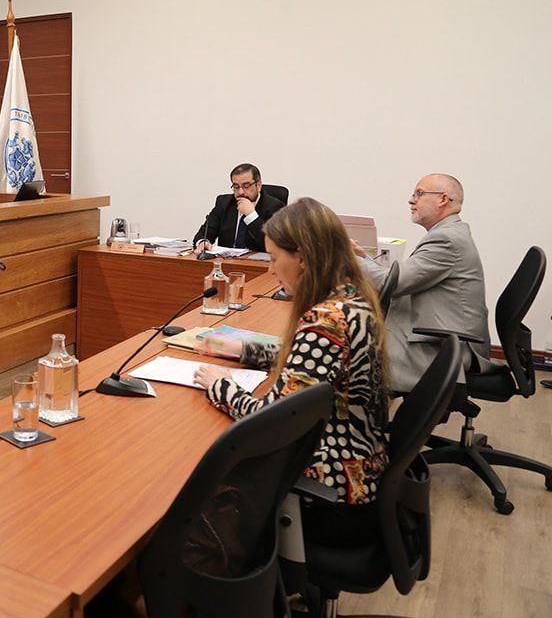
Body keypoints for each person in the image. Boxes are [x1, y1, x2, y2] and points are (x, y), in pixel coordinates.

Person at [195, 198, 390, 543]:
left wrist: (220, 387)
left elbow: (273, 420)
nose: (270, 269)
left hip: (331, 489)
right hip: (362, 467)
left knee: (202, 475)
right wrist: (244, 349)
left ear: (301, 256)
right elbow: (314, 360)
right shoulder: (352, 298)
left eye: (273, 258)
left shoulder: (325, 320)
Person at [355, 173, 489, 393]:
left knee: (347, 360)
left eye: (419, 193)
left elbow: (392, 284)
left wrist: (343, 255)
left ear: (443, 199)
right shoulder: (448, 232)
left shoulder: (447, 239)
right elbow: (405, 277)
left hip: (442, 348)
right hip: (441, 333)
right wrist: (364, 259)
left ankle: (360, 421)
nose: (411, 200)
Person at [193, 163, 285, 253]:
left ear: (259, 185)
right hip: (227, 263)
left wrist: (251, 216)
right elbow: (204, 233)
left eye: (246, 186)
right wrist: (202, 242)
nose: (241, 192)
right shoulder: (224, 203)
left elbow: (273, 246)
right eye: (236, 187)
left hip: (257, 266)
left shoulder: (275, 207)